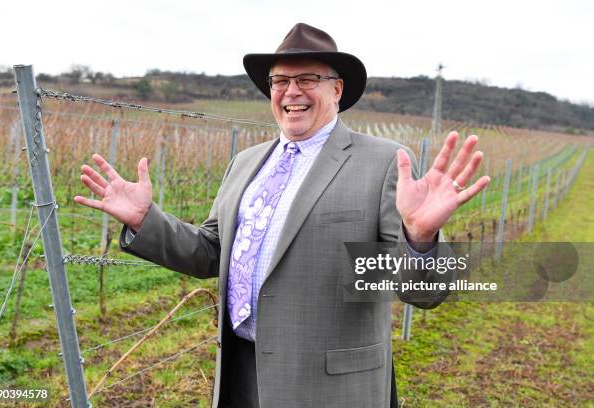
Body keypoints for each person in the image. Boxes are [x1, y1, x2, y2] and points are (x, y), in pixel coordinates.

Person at [75, 23, 489, 408]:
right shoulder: (246, 163)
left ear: (337, 89)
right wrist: (145, 219)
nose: (292, 91)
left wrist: (419, 240)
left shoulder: (381, 162)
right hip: (241, 375)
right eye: (280, 81)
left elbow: (422, 292)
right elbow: (211, 252)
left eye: (308, 78)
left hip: (331, 388)